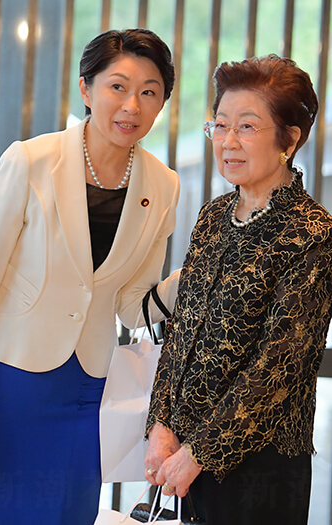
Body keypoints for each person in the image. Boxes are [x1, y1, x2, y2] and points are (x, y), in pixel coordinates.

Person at [0, 28, 180, 525]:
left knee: (66, 510)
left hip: (85, 386)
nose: (131, 105)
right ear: (86, 88)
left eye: (149, 91)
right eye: (118, 86)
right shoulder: (30, 160)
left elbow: (133, 302)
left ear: (162, 105)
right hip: (7, 374)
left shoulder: (164, 184)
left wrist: (198, 277)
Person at [145, 54, 332, 525]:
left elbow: (278, 366)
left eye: (247, 127)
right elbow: (181, 329)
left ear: (289, 139)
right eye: (220, 125)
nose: (228, 141)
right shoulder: (212, 217)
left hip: (260, 467)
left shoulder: (312, 233)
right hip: (185, 455)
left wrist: (198, 454)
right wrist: (160, 426)